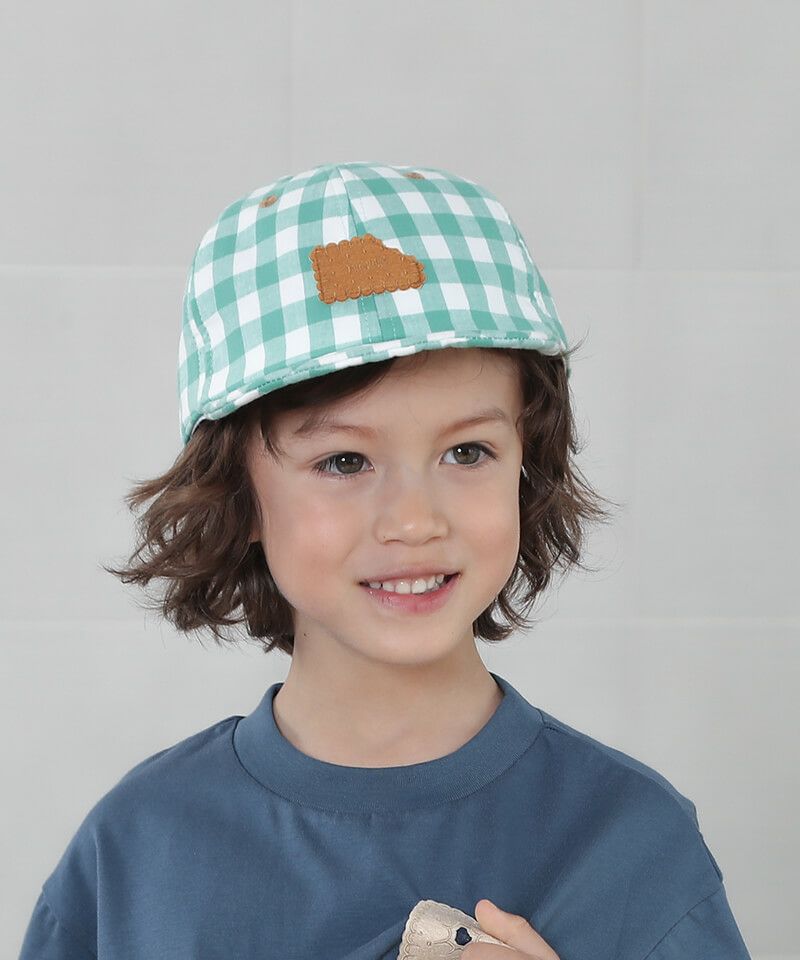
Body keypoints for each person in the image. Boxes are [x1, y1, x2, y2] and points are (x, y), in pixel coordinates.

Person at [18, 161, 752, 959]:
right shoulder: (136, 850)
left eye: (467, 452)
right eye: (344, 461)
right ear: (239, 491)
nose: (413, 521)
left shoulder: (630, 844)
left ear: (528, 464)